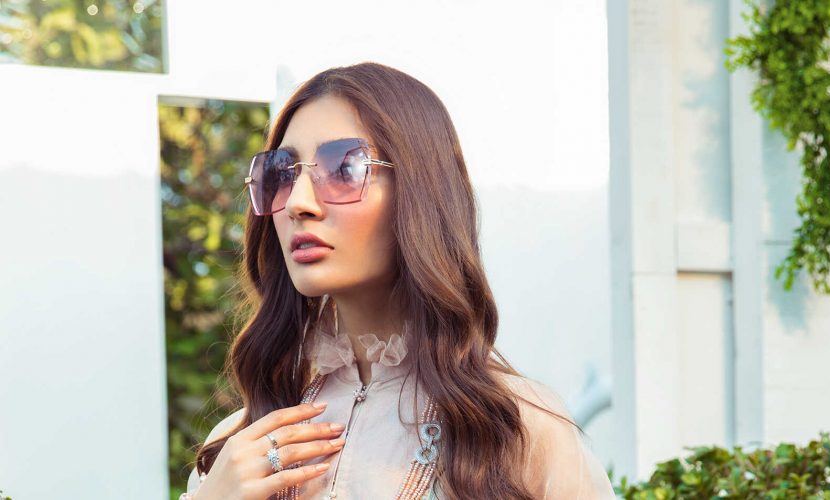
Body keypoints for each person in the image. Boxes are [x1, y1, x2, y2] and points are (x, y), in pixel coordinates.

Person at [181, 62, 615, 499]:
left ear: (421, 191)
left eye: (345, 168)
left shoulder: (520, 430)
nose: (298, 203)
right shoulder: (240, 449)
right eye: (282, 174)